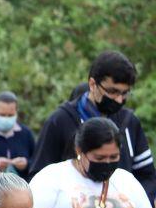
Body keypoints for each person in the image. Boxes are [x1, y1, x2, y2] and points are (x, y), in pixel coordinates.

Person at [30, 51, 156, 199]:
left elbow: (147, 175)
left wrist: (134, 204)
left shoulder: (129, 122)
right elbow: (38, 177)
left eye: (125, 93)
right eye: (113, 91)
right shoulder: (60, 121)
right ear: (92, 84)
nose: (119, 100)